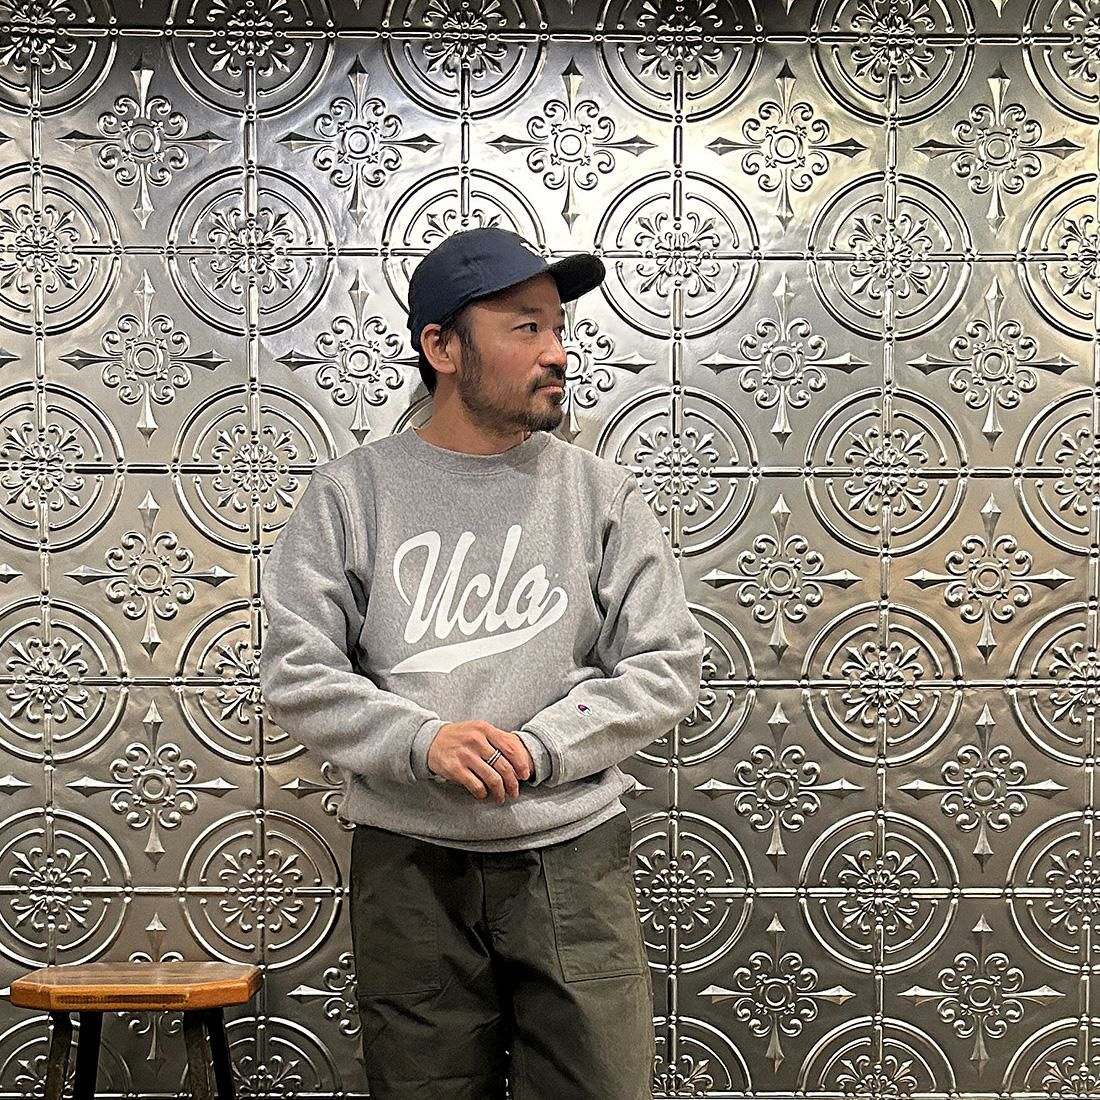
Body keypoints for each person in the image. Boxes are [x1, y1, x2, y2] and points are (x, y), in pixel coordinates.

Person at [258, 227, 706, 1100]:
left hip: (572, 857)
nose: (558, 353)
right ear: (442, 348)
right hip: (409, 863)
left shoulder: (599, 493)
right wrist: (422, 741)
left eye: (559, 328)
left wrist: (540, 748)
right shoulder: (353, 493)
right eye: (526, 327)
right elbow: (298, 673)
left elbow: (666, 663)